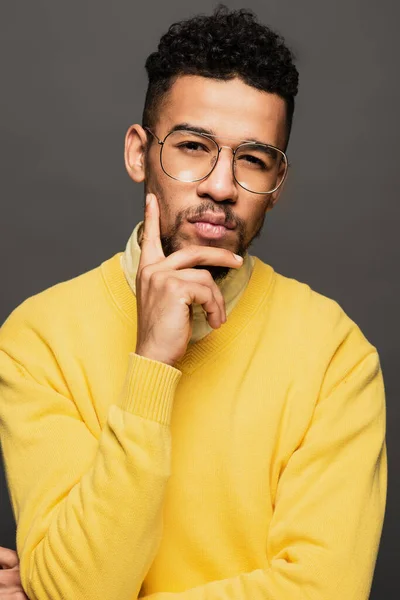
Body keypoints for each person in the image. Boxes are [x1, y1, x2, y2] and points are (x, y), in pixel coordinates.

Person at [0, 5, 387, 600]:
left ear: (277, 186)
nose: (222, 185)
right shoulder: (37, 338)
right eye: (192, 146)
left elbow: (325, 588)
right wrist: (151, 366)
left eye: (253, 159)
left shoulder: (336, 354)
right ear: (138, 154)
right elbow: (79, 588)